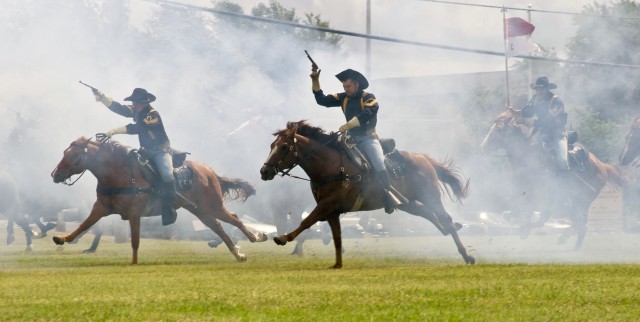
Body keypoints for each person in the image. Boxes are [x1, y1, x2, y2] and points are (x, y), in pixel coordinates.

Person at [310, 67, 407, 214]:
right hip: (350, 139)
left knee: (379, 163)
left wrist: (349, 124)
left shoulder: (368, 97)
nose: (346, 89)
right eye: (344, 87)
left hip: (368, 139)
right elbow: (321, 100)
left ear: (356, 84)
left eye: (348, 86)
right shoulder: (343, 97)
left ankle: (388, 196)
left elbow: (368, 113)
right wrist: (315, 80)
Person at [94, 88, 177, 225]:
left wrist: (113, 131)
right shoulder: (138, 111)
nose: (133, 104)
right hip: (146, 151)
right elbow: (120, 109)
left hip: (161, 151)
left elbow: (137, 128)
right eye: (133, 102)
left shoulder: (152, 115)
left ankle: (169, 208)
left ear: (144, 103)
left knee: (167, 175)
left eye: (136, 102)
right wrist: (103, 98)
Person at [522, 76, 569, 172]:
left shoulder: (555, 100)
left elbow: (550, 116)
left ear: (547, 89)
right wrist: (517, 112)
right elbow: (528, 112)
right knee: (528, 152)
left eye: (542, 88)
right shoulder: (535, 99)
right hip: (543, 133)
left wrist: (535, 110)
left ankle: (567, 178)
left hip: (557, 134)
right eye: (537, 89)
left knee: (563, 160)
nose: (539, 91)